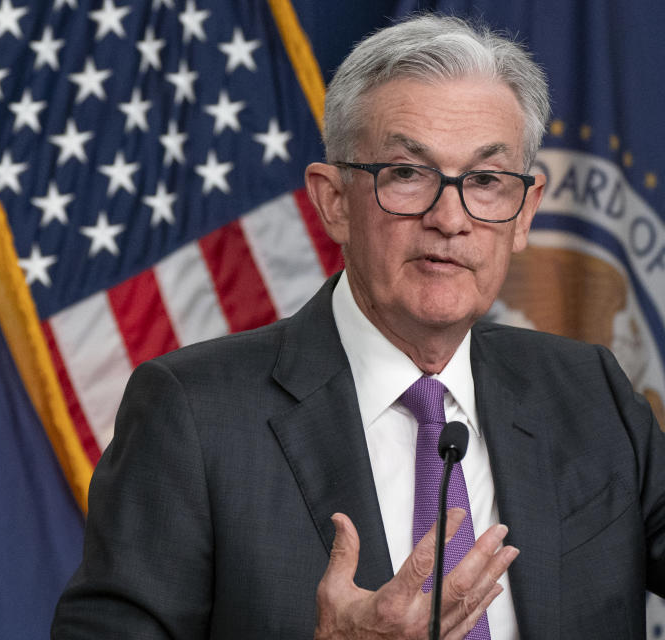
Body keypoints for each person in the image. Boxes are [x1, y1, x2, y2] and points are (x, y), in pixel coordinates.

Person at [52, 14, 665, 639]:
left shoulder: (589, 390)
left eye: (485, 181)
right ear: (334, 201)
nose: (450, 219)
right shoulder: (192, 414)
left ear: (525, 211)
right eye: (408, 174)